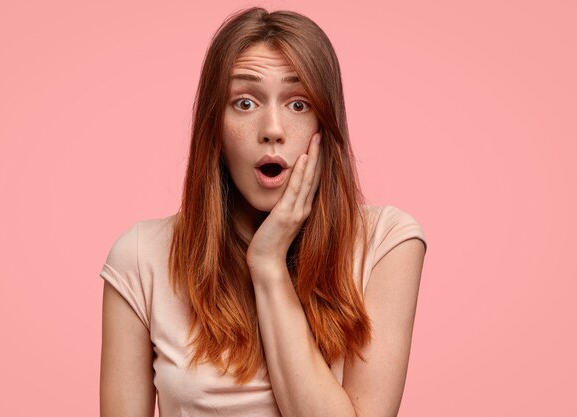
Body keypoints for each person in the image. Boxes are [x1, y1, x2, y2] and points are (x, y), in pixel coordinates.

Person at [99, 7, 427, 417]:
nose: (272, 128)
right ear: (214, 130)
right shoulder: (140, 257)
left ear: (326, 124)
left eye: (298, 104)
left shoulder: (388, 243)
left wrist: (269, 263)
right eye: (246, 101)